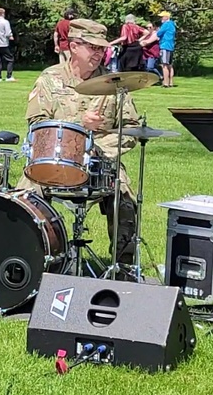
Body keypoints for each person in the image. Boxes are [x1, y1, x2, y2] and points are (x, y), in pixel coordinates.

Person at [18, 19, 140, 274]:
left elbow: (131, 128)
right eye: (91, 48)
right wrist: (78, 123)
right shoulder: (50, 79)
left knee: (124, 195)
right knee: (23, 198)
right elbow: (37, 123)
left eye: (101, 49)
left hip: (100, 160)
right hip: (56, 157)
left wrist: (98, 149)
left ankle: (123, 266)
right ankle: (25, 258)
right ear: (74, 46)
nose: (98, 54)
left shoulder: (114, 84)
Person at [157, 10, 177, 87]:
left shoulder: (166, 24)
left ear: (166, 17)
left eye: (162, 17)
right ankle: (171, 82)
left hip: (165, 45)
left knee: (164, 65)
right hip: (171, 46)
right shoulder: (172, 24)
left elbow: (159, 33)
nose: (161, 18)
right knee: (170, 65)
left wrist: (158, 30)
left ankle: (165, 82)